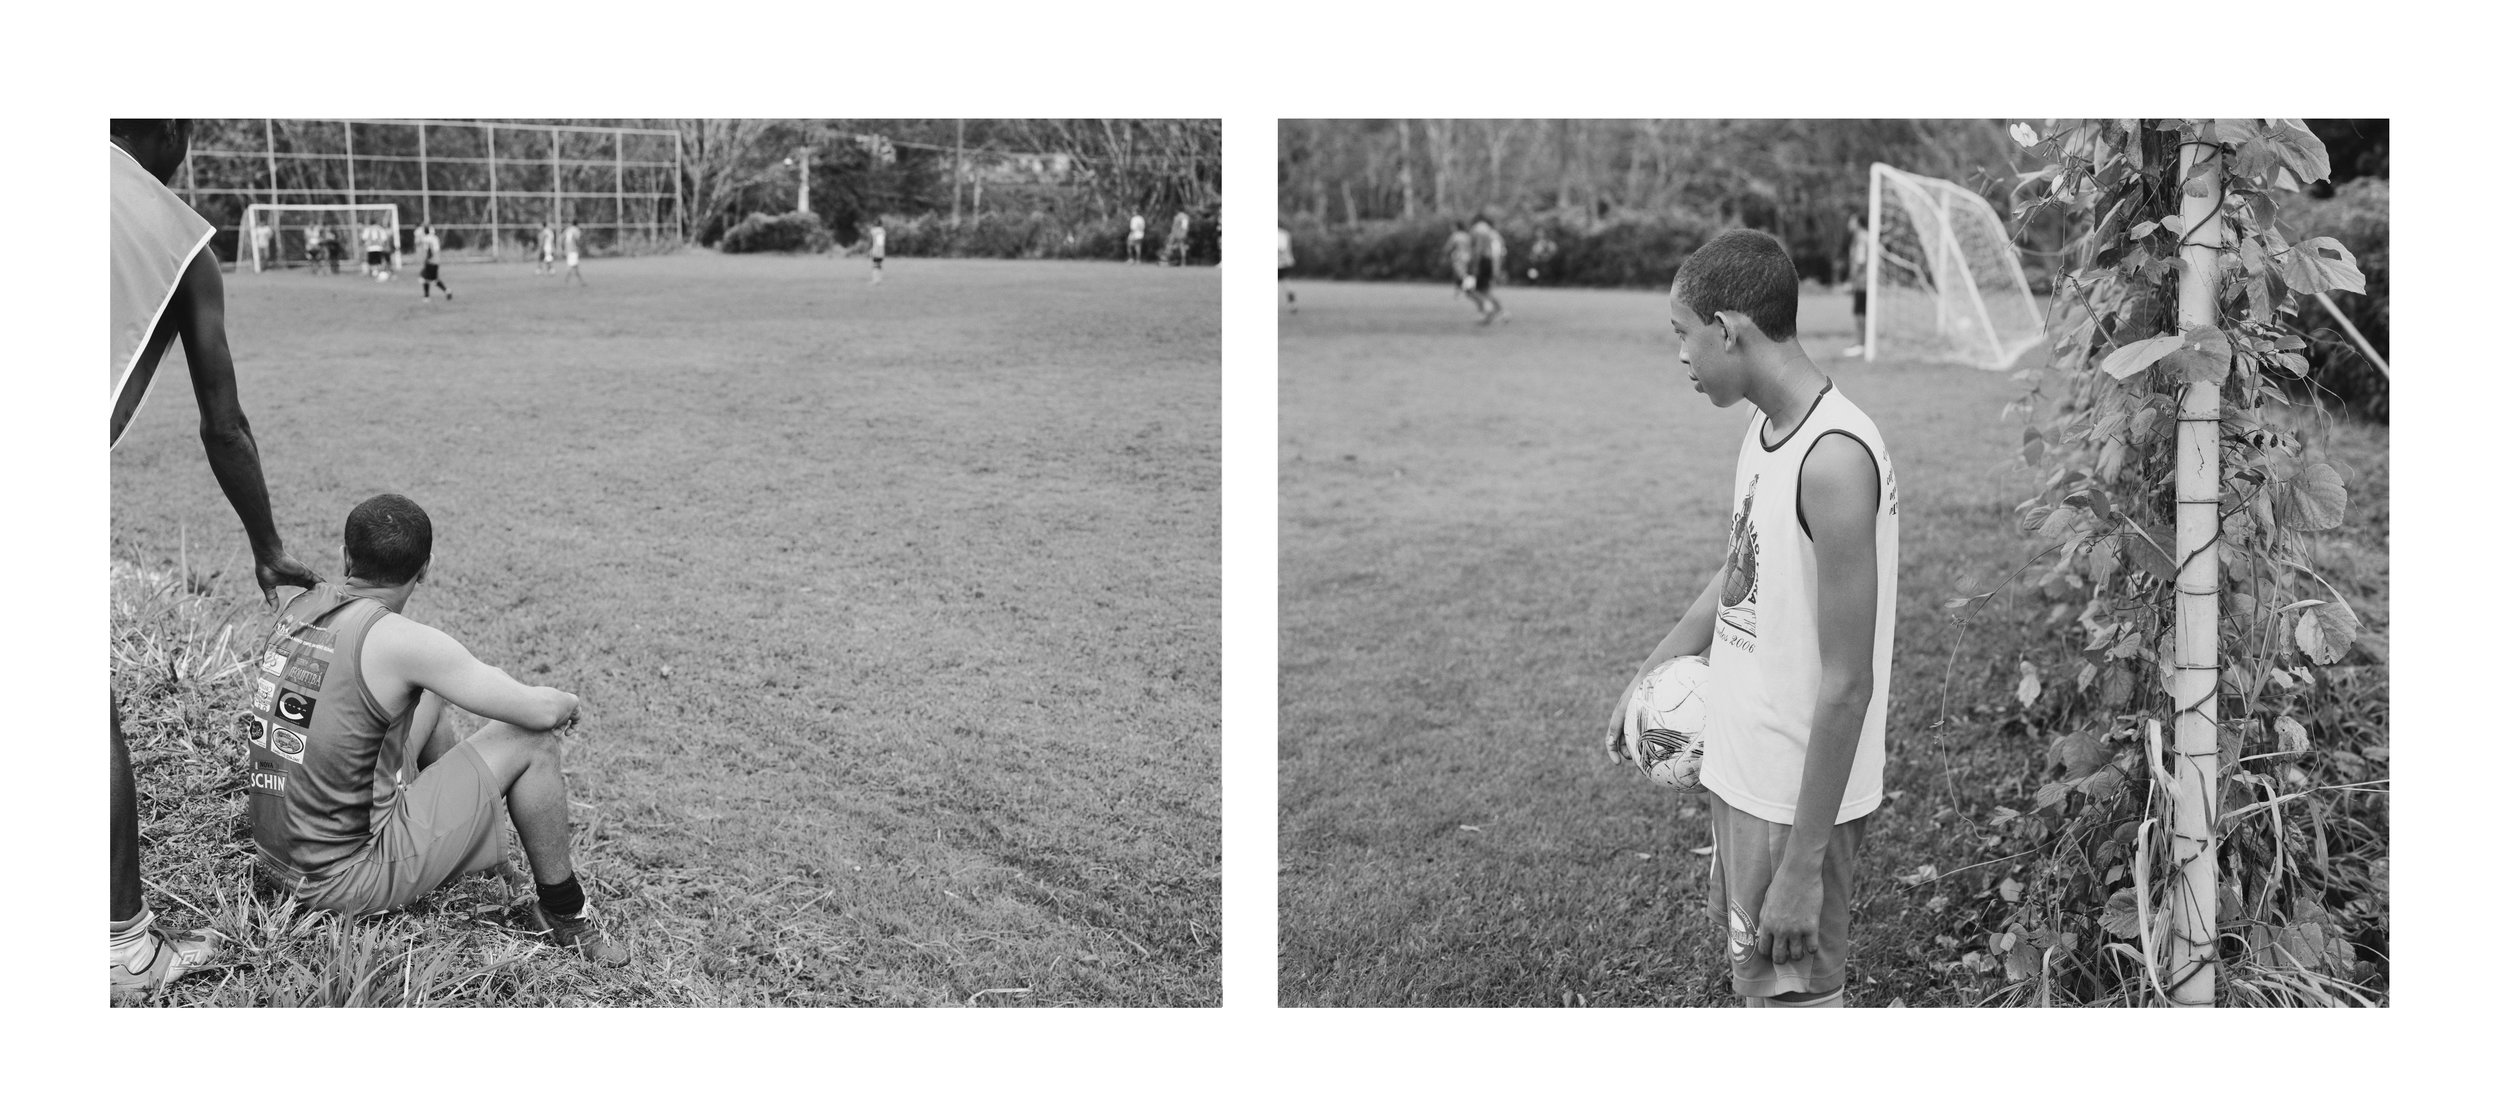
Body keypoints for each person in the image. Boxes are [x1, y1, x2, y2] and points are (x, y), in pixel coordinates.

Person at [1603, 228, 1898, 1008]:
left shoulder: (1833, 459)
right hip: (1743, 774)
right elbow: (1736, 573)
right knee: (1758, 990)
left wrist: (1801, 867)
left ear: (1728, 330)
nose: (1681, 356)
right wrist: (1648, 677)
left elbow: (1847, 685)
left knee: (1793, 1003)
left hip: (1794, 802)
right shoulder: (1764, 431)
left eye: (1683, 335)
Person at [109, 118, 325, 996]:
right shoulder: (176, 234)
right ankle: (124, 947)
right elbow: (223, 423)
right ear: (166, 129)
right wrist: (267, 548)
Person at [249, 493, 627, 966]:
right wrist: (567, 702)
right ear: (425, 568)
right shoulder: (407, 644)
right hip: (343, 879)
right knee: (532, 741)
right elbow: (537, 713)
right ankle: (564, 911)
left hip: (275, 853)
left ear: (347, 557)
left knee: (427, 697)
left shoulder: (300, 603)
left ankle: (477, 855)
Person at [1467, 214, 1505, 324]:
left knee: (1470, 290)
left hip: (1482, 261)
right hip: (1489, 262)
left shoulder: (1477, 229)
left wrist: (1475, 265)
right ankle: (1501, 312)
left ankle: (1487, 311)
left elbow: (1478, 249)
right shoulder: (1491, 232)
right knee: (1485, 290)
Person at [1843, 214, 1871, 358]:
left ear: (1858, 223)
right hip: (1864, 282)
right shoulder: (1863, 236)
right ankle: (1861, 342)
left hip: (1862, 282)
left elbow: (1860, 261)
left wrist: (1850, 280)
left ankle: (1862, 344)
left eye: (1851, 221)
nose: (1849, 223)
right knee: (1860, 312)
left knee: (1860, 313)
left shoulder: (1861, 238)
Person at [415, 224, 451, 301]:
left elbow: (429, 251)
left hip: (431, 262)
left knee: (423, 278)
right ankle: (447, 291)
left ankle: (426, 297)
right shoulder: (435, 238)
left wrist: (426, 259)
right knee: (434, 279)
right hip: (436, 262)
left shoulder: (427, 239)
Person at [1445, 219, 1474, 300]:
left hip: (1459, 257)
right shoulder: (1467, 235)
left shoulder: (1456, 236)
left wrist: (1445, 254)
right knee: (1463, 274)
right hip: (1468, 256)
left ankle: (1468, 290)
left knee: (1460, 275)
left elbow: (1448, 247)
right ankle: (1462, 292)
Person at [1276, 224, 1296, 313]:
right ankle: (1292, 305)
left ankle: (1292, 305)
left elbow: (1281, 248)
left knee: (1286, 284)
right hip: (1286, 262)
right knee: (1287, 284)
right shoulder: (1285, 233)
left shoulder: (1280, 234)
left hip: (1280, 263)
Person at [562, 218, 585, 287]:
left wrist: (563, 247)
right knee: (572, 266)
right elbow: (577, 239)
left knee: (574, 266)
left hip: (568, 249)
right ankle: (566, 280)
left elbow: (562, 238)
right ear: (577, 224)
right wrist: (579, 247)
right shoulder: (576, 230)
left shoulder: (568, 229)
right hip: (573, 250)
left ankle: (580, 281)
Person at [866, 217, 886, 284]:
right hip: (881, 250)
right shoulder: (883, 230)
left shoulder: (873, 230)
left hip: (875, 250)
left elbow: (871, 241)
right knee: (879, 265)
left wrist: (869, 249)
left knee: (874, 265)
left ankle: (875, 280)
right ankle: (879, 279)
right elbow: (881, 242)